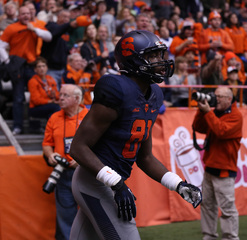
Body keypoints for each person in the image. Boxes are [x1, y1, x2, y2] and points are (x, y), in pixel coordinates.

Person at [69, 30, 202, 239]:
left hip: (111, 182)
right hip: (94, 181)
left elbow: (145, 157)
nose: (160, 61)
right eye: (152, 56)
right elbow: (78, 147)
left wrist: (178, 184)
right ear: (132, 60)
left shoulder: (154, 94)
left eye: (160, 55)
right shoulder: (116, 88)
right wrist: (117, 183)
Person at [192, 86, 243, 240]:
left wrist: (208, 112)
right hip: (210, 167)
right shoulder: (214, 112)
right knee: (207, 206)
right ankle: (209, 236)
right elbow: (198, 127)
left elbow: (221, 131)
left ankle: (230, 237)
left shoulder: (236, 115)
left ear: (229, 99)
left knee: (227, 209)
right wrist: (201, 111)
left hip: (225, 169)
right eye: (216, 96)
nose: (216, 99)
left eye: (220, 96)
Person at [42, 84, 88, 240]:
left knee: (91, 215)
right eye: (60, 95)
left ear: (77, 98)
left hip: (85, 173)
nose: (60, 98)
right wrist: (50, 155)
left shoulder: (89, 116)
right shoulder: (54, 117)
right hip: (62, 173)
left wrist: (82, 159)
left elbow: (100, 144)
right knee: (65, 215)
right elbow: (47, 143)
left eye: (64, 95)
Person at [0, 6, 52, 135]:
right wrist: (8, 61)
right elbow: (1, 46)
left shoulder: (35, 26)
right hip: (17, 67)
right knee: (18, 97)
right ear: (19, 15)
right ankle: (18, 127)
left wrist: (34, 30)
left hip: (32, 66)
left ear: (31, 14)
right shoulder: (11, 28)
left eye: (28, 13)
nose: (26, 16)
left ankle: (35, 125)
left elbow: (48, 37)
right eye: (23, 14)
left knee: (37, 95)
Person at [27, 57, 60, 133]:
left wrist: (56, 97)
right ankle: (53, 130)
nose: (42, 69)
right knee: (55, 108)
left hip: (49, 105)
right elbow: (36, 100)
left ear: (47, 68)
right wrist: (50, 101)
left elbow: (57, 94)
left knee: (59, 107)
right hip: (35, 108)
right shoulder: (33, 81)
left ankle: (53, 130)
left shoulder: (50, 79)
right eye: (39, 66)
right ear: (35, 70)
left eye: (43, 66)